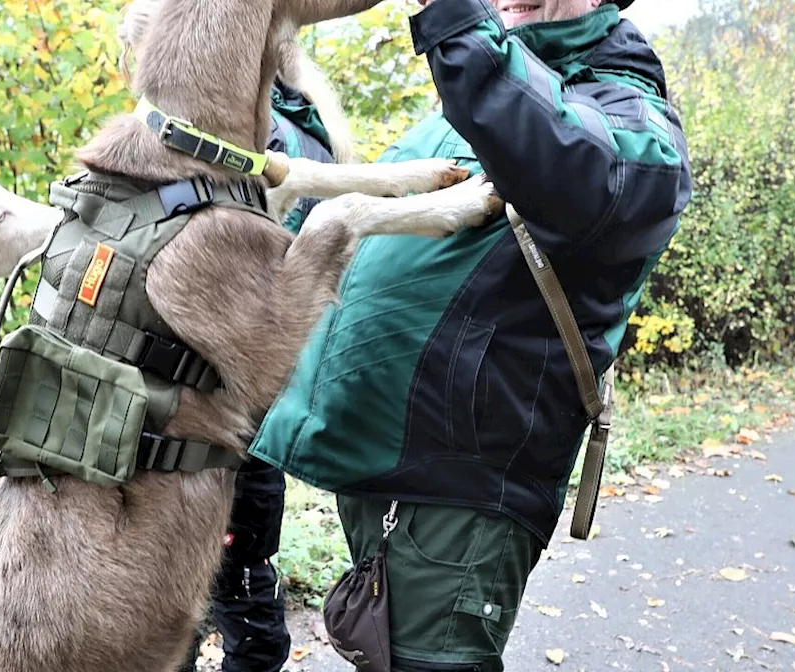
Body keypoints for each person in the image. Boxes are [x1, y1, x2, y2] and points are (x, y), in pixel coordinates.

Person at [249, 0, 693, 670]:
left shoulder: (626, 117)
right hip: (379, 465)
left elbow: (578, 169)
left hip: (455, 483)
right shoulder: (464, 116)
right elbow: (335, 224)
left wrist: (456, 27)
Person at [113, 3, 350, 671]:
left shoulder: (274, 144)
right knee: (208, 582)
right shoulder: (163, 151)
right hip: (193, 397)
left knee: (238, 576)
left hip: (234, 396)